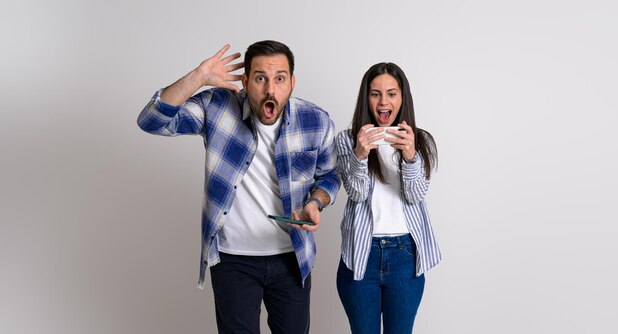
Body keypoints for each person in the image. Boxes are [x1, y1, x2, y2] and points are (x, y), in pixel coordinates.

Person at [137, 40, 340, 334]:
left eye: (280, 78)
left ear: (293, 82)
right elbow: (151, 120)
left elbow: (329, 175)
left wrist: (316, 202)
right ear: (245, 81)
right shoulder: (217, 107)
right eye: (260, 78)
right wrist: (198, 77)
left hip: (292, 257)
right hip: (233, 261)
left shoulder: (316, 120)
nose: (271, 89)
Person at [334, 62, 441, 333]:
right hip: (362, 254)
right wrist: (359, 155)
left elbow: (416, 195)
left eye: (391, 93)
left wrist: (410, 156)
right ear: (366, 98)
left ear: (402, 97)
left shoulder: (420, 141)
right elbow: (356, 193)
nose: (383, 102)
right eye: (375, 94)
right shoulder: (348, 141)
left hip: (405, 255)